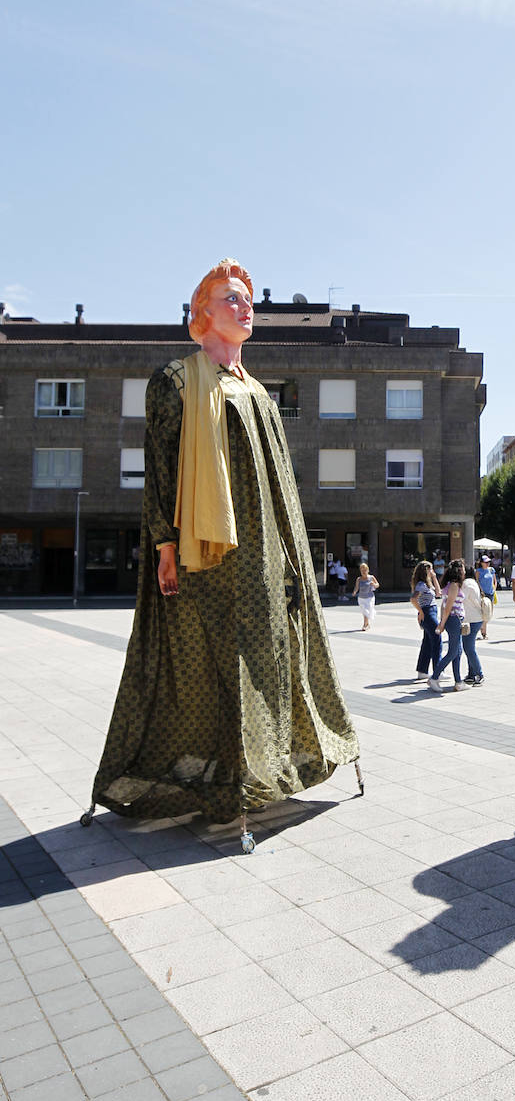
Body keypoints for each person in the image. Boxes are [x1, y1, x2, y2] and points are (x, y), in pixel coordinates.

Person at [84, 259, 361, 849]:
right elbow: (159, 467)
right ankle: (202, 784)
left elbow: (281, 481)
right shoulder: (177, 381)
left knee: (264, 664)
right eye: (232, 298)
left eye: (248, 299)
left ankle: (263, 775)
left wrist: (293, 555)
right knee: (199, 668)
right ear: (202, 312)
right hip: (198, 555)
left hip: (261, 556)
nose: (246, 306)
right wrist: (163, 541)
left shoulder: (258, 391)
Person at [430, 558, 467, 691]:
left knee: (458, 651)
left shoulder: (451, 585)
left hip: (453, 619)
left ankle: (458, 681)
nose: (464, 571)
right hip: (454, 619)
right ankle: (434, 677)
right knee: (452, 652)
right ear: (458, 570)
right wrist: (442, 623)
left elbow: (444, 605)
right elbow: (448, 606)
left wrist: (442, 621)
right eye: (462, 568)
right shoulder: (454, 585)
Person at [410, 560, 442, 680]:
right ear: (425, 571)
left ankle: (422, 671)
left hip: (432, 611)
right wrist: (421, 611)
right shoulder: (421, 585)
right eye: (431, 569)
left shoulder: (427, 584)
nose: (432, 571)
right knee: (437, 640)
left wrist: (434, 577)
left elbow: (438, 593)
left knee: (427, 642)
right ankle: (438, 671)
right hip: (428, 613)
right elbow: (413, 599)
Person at [461, 565, 485, 686]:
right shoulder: (473, 582)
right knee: (469, 647)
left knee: (469, 648)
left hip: (471, 619)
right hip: (475, 618)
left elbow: (459, 598)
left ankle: (479, 674)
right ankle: (471, 674)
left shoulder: (466, 584)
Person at [353, 561, 379, 630]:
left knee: (367, 611)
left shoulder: (371, 577)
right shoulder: (359, 579)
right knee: (365, 611)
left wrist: (374, 584)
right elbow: (356, 587)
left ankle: (365, 625)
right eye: (362, 570)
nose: (363, 572)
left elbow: (377, 585)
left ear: (368, 570)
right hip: (361, 598)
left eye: (365, 570)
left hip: (370, 598)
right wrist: (355, 592)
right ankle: (367, 625)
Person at [477, 555, 496, 638]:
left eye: (488, 562)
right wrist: (480, 591)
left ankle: (483, 628)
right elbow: (477, 581)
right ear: (481, 563)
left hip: (490, 593)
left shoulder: (491, 570)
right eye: (485, 562)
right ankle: (483, 631)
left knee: (489, 613)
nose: (487, 564)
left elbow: (494, 580)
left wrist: (494, 589)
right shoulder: (478, 571)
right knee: (483, 611)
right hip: (483, 594)